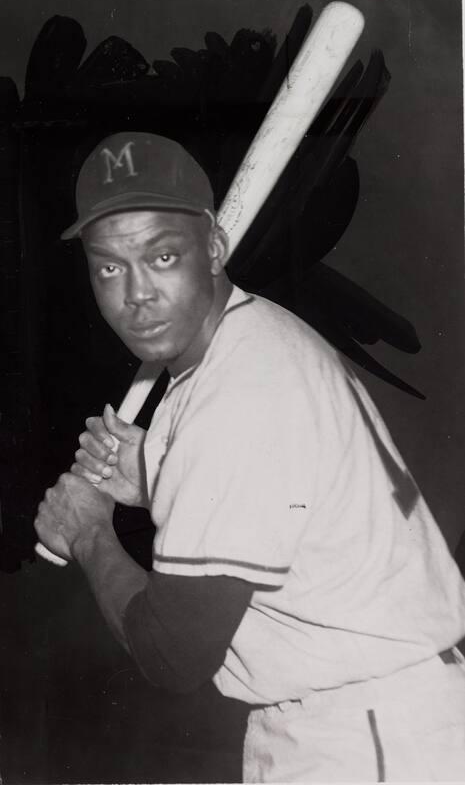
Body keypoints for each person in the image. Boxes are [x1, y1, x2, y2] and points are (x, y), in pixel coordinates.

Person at [35, 131, 465, 782]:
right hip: (369, 715)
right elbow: (289, 504)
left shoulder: (234, 395)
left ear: (212, 244)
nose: (137, 294)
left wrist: (89, 531)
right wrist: (159, 476)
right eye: (110, 267)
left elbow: (173, 655)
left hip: (368, 738)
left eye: (162, 255)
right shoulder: (252, 336)